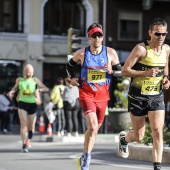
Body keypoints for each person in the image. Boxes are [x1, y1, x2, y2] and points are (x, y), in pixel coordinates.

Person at [66, 23, 121, 170]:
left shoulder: (110, 53)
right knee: (93, 126)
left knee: (94, 130)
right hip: (86, 95)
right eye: (94, 36)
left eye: (99, 36)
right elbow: (69, 65)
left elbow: (121, 74)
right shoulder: (81, 53)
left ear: (102, 37)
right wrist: (72, 78)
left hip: (103, 97)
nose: (97, 38)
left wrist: (112, 71)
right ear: (88, 38)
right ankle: (87, 160)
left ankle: (84, 154)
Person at [118, 18, 170, 170]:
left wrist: (166, 79)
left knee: (157, 131)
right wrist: (145, 72)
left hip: (156, 96)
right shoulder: (141, 49)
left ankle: (157, 167)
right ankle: (125, 139)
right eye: (157, 33)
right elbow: (124, 70)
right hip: (137, 97)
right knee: (138, 136)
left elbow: (165, 66)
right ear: (150, 33)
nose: (160, 37)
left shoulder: (166, 49)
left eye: (163, 34)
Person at [7, 64, 49, 152]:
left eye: (30, 72)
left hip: (32, 105)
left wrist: (38, 90)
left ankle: (30, 135)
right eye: (27, 72)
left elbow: (46, 89)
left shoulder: (35, 80)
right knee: (23, 123)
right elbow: (15, 88)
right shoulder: (19, 80)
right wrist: (12, 91)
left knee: (31, 126)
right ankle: (24, 145)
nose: (29, 74)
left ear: (33, 72)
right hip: (22, 103)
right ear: (24, 72)